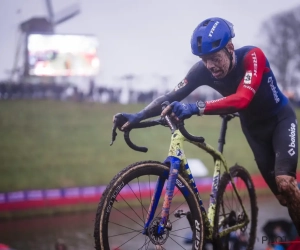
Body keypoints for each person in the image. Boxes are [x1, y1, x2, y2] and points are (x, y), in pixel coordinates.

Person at [113, 17, 300, 235]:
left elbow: (242, 99)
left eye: (214, 58)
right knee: (282, 197)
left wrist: (195, 107)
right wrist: (138, 116)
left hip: (280, 121)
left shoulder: (252, 57)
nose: (209, 65)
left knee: (286, 184)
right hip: (253, 130)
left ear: (230, 48)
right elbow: (170, 96)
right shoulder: (201, 71)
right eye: (204, 59)